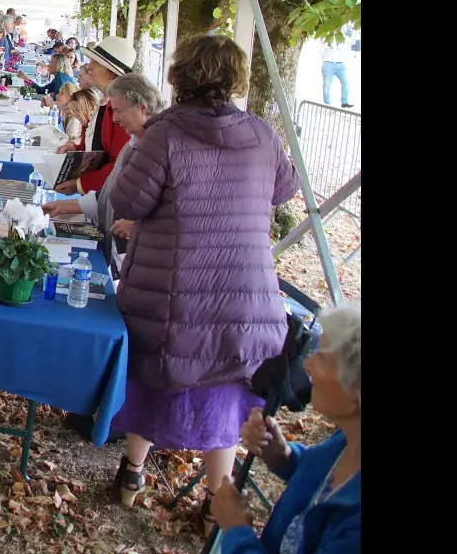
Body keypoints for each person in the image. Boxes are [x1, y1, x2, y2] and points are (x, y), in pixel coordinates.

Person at [107, 34, 302, 525]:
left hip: (173, 291)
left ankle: (132, 472)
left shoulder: (164, 133)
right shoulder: (260, 133)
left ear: (181, 75)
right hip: (246, 295)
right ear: (235, 77)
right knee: (224, 394)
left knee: (152, 377)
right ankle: (219, 499)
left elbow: (128, 202)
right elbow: (285, 188)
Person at [212, 303, 361, 553]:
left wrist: (237, 531)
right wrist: (284, 457)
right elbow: (321, 477)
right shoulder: (347, 439)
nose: (308, 364)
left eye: (322, 357)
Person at [42, 74, 162, 270]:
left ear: (142, 107)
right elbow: (109, 193)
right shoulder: (133, 145)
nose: (114, 118)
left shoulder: (162, 149)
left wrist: (139, 225)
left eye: (118, 111)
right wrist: (66, 206)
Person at [54, 36, 134, 196]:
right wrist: (75, 150)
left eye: (95, 63)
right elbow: (96, 148)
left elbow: (119, 164)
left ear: (111, 73)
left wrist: (79, 184)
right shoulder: (104, 102)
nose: (89, 67)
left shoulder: (120, 110)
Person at [319, 37, 353, 108]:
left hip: (340, 64)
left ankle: (344, 102)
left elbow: (346, 48)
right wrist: (326, 59)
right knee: (327, 85)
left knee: (346, 82)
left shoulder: (342, 36)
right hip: (329, 63)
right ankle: (327, 104)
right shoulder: (327, 37)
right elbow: (321, 50)